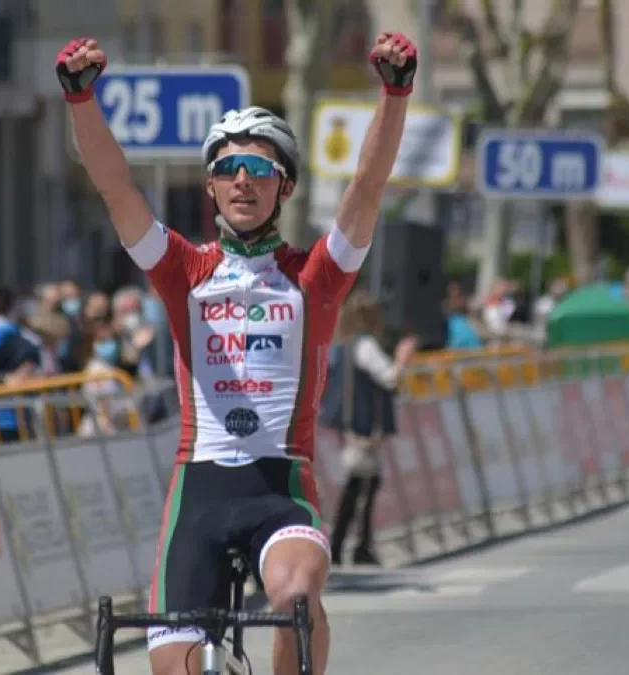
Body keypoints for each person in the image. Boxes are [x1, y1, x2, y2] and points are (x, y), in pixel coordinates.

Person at [58, 29, 416, 675]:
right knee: (172, 668)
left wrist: (394, 94)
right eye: (228, 169)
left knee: (296, 595)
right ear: (212, 187)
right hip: (198, 487)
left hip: (281, 486)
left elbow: (366, 188)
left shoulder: (315, 278)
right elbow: (117, 191)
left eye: (260, 170)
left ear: (284, 188)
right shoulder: (183, 272)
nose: (242, 182)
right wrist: (81, 102)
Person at [321, 290, 418, 567]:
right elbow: (388, 378)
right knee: (360, 483)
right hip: (363, 428)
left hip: (352, 425)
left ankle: (353, 544)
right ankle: (348, 545)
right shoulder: (365, 346)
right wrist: (401, 359)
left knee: (363, 482)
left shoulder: (344, 346)